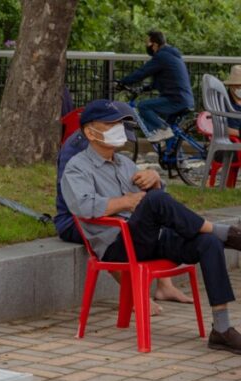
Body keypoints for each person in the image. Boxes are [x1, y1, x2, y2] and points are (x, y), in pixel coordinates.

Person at [61, 99, 241, 353]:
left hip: (147, 238)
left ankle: (221, 329)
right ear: (91, 132)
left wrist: (156, 181)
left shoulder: (124, 163)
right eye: (110, 124)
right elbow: (82, 206)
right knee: (155, 201)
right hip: (116, 245)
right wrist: (128, 201)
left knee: (207, 242)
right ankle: (228, 233)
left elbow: (155, 205)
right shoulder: (77, 168)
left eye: (120, 124)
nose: (118, 129)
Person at [55, 101, 191, 305]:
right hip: (77, 218)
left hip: (117, 208)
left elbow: (134, 188)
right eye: (114, 125)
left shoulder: (114, 152)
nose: (120, 134)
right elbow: (79, 200)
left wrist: (152, 178)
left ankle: (165, 286)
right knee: (119, 230)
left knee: (153, 211)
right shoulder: (76, 153)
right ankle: (135, 296)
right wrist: (124, 202)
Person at [118, 30, 194, 143]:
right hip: (184, 99)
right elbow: (161, 82)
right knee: (170, 132)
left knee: (143, 106)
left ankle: (162, 130)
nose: (146, 46)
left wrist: (122, 82)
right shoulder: (171, 55)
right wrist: (144, 88)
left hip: (176, 99)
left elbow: (142, 72)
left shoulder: (162, 56)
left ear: (155, 45)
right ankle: (175, 159)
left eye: (147, 43)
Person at [222, 65, 241, 137]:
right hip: (233, 141)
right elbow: (217, 128)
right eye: (238, 85)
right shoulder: (222, 102)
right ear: (231, 85)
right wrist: (238, 133)